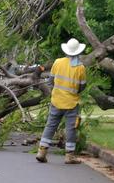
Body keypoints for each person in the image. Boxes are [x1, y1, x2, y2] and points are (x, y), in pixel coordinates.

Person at [36, 37, 87, 165]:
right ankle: (69, 156)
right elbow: (82, 86)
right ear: (78, 52)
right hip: (71, 103)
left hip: (56, 100)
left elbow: (50, 81)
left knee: (50, 125)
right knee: (71, 129)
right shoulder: (81, 68)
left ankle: (42, 152)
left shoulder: (57, 62)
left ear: (66, 51)